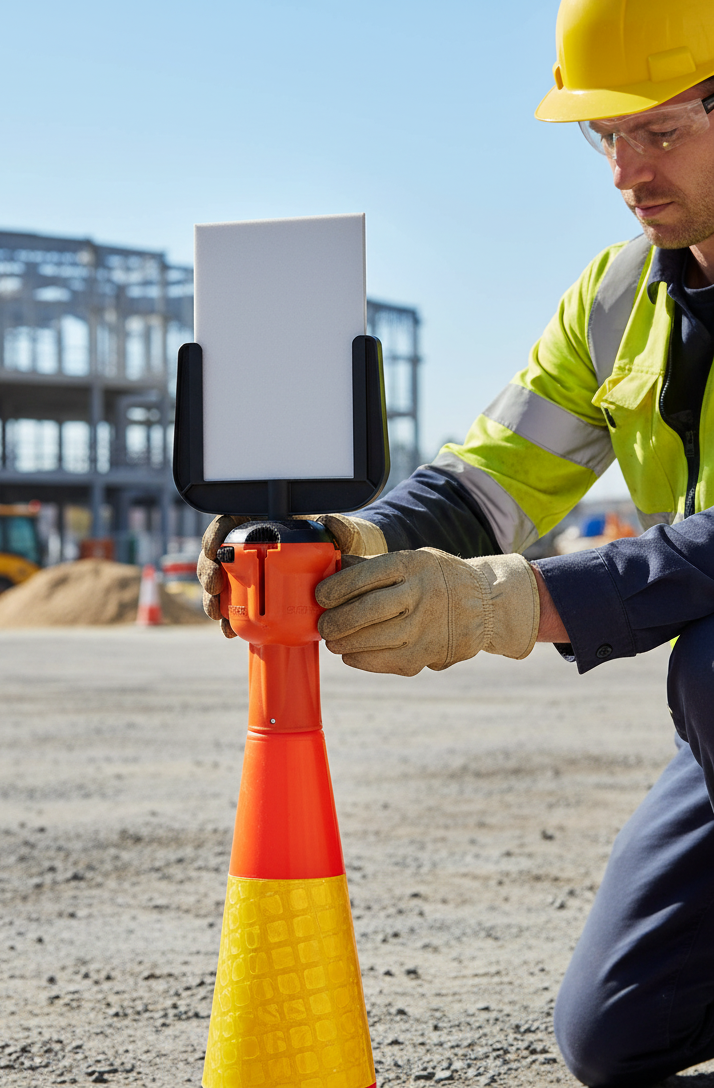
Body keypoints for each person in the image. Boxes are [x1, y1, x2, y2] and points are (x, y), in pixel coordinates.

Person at [198, 2, 714, 1085]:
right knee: (616, 1031)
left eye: (658, 131)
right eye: (603, 135)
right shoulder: (623, 294)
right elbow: (490, 480)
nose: (625, 171)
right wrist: (349, 538)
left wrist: (517, 602)